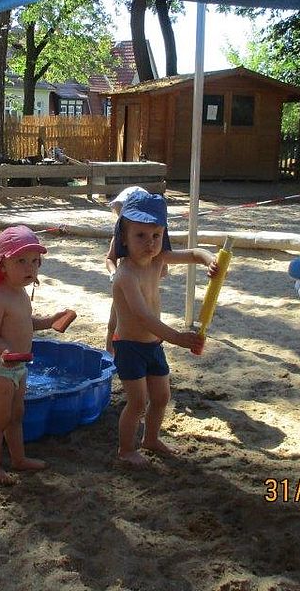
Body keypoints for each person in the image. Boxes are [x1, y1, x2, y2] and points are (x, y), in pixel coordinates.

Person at [110, 192, 218, 466]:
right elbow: (143, 317)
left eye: (156, 235)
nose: (150, 243)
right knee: (137, 403)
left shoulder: (158, 260)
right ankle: (125, 449)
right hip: (130, 347)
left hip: (153, 345)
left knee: (161, 397)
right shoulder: (125, 275)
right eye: (141, 235)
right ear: (124, 237)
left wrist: (209, 259)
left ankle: (151, 439)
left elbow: (193, 253)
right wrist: (178, 338)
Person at [0, 225, 74, 485]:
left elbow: (25, 323)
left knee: (16, 415)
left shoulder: (21, 293)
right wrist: (5, 351)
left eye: (34, 261)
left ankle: (18, 459)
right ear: (2, 265)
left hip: (19, 366)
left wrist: (50, 321)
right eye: (20, 261)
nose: (29, 268)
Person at [104, 186, 165, 354]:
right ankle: (109, 353)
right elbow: (110, 259)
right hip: (126, 287)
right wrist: (113, 272)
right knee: (113, 322)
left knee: (148, 319)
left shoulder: (152, 241)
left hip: (144, 287)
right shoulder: (119, 238)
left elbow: (163, 266)